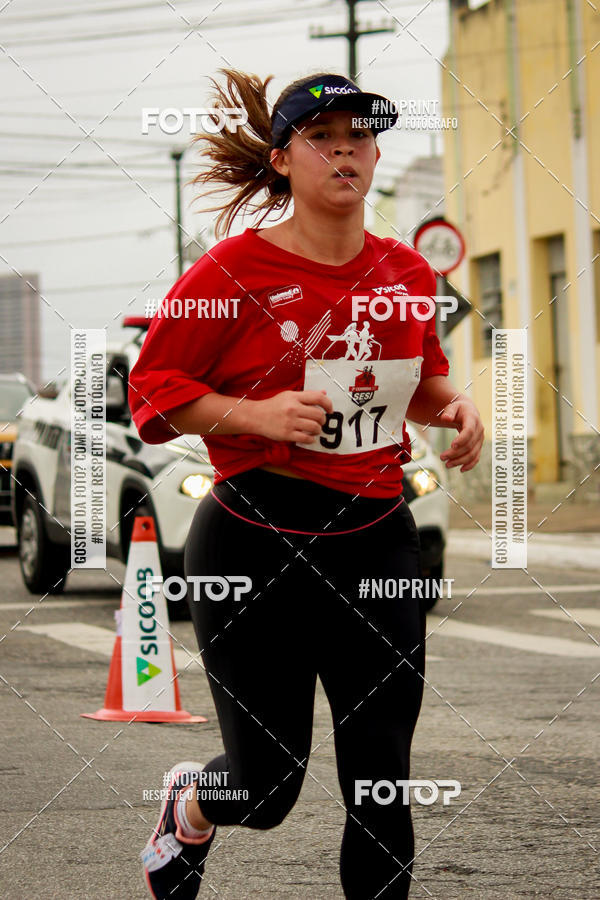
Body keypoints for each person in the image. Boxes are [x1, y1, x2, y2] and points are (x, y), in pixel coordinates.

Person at [129, 68, 484, 900]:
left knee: (381, 779)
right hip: (256, 540)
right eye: (320, 140)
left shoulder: (406, 273)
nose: (343, 153)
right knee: (268, 786)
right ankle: (192, 804)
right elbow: (152, 396)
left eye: (358, 138)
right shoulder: (231, 272)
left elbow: (418, 379)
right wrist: (256, 415)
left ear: (376, 154)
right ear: (283, 160)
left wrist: (456, 407)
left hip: (376, 537)